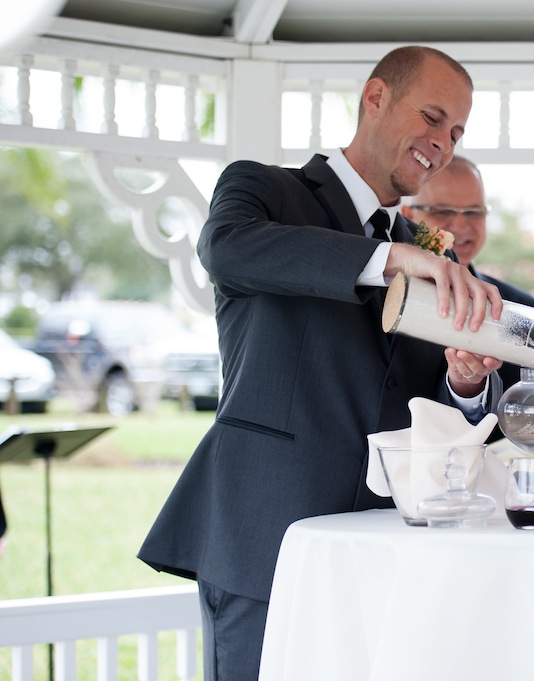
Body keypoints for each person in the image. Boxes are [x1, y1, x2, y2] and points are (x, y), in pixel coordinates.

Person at [138, 46, 506, 681]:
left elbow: (420, 395)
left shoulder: (427, 252)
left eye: (456, 132)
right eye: (433, 116)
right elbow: (225, 249)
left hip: (388, 547)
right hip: (265, 536)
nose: (442, 143)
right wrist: (390, 259)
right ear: (375, 98)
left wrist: (466, 382)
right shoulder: (266, 189)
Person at [403, 154, 534, 426]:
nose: (462, 226)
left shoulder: (521, 306)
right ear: (409, 216)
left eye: (474, 212)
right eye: (442, 211)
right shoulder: (389, 298)